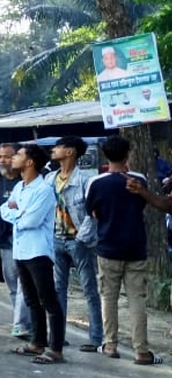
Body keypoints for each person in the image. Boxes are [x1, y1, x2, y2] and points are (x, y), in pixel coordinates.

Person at [93, 135, 171, 364]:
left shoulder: (96, 182)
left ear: (105, 156)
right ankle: (141, 351)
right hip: (135, 247)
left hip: (108, 247)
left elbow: (93, 212)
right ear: (128, 155)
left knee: (109, 298)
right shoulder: (139, 180)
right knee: (137, 299)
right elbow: (154, 204)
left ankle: (110, 345)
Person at [2, 144, 64, 364]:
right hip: (21, 250)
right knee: (30, 299)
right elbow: (4, 209)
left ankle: (55, 348)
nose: (13, 158)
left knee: (48, 300)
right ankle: (38, 342)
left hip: (38, 251)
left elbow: (32, 221)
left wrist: (16, 213)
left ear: (30, 162)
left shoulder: (44, 190)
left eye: (18, 154)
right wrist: (19, 213)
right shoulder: (20, 187)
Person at [43, 136, 102, 352]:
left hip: (78, 240)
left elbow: (93, 214)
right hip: (56, 238)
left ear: (70, 152)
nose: (54, 149)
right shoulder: (50, 178)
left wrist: (81, 238)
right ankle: (59, 335)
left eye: (59, 146)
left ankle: (96, 338)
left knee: (89, 289)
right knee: (58, 289)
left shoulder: (86, 180)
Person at [0, 143, 32, 340]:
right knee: (13, 284)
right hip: (3, 239)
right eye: (0, 156)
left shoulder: (27, 180)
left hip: (26, 238)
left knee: (26, 283)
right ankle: (21, 321)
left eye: (8, 156)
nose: (3, 160)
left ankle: (22, 324)